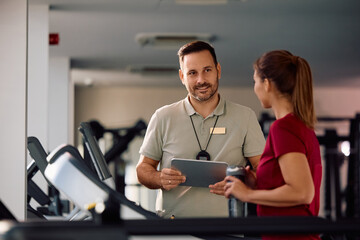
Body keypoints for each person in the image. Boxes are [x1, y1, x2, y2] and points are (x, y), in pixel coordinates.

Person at [136, 41, 265, 218]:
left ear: (218, 70)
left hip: (227, 230)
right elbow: (143, 169)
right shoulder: (163, 117)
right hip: (174, 230)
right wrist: (159, 178)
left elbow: (264, 171)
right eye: (192, 73)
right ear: (182, 76)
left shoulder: (245, 117)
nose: (201, 80)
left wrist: (241, 182)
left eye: (207, 70)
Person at [224, 50, 322, 240]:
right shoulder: (302, 127)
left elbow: (302, 192)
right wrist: (257, 184)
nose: (255, 88)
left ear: (267, 84)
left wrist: (247, 195)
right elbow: (292, 185)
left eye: (255, 81)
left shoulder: (283, 127)